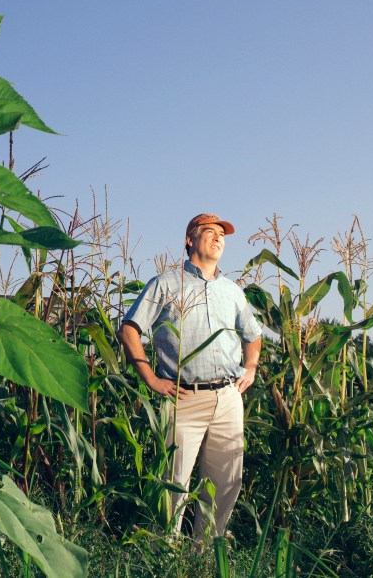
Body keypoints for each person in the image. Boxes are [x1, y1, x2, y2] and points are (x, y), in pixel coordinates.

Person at [118, 213, 263, 539]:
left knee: (226, 482)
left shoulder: (232, 291)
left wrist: (250, 368)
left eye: (222, 235)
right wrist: (151, 378)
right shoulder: (166, 284)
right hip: (183, 397)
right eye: (210, 232)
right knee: (173, 483)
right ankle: (165, 556)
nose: (218, 238)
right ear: (189, 240)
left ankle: (206, 556)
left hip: (227, 397)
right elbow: (129, 328)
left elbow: (253, 335)